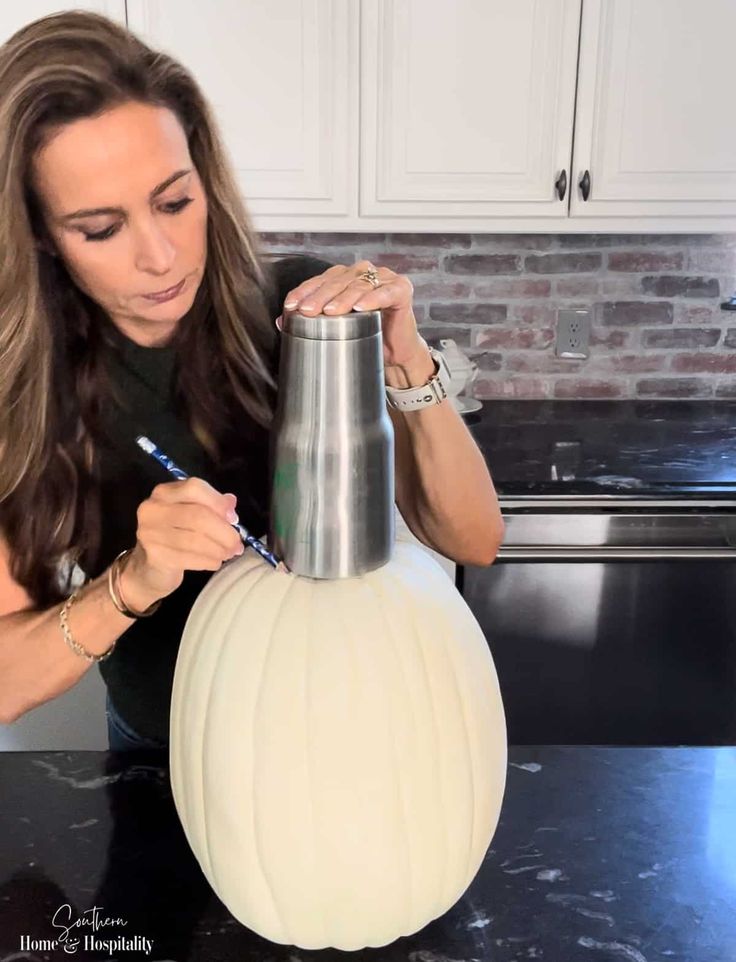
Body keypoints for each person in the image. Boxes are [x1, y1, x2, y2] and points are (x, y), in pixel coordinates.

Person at [0, 10, 504, 751]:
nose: (162, 255)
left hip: (332, 732)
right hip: (163, 753)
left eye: (175, 201)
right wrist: (133, 581)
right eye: (102, 228)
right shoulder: (27, 393)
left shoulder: (300, 315)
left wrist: (406, 360)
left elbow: (475, 540)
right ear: (40, 231)